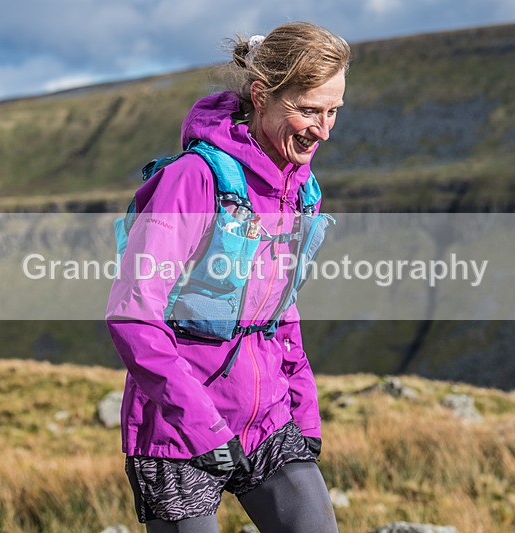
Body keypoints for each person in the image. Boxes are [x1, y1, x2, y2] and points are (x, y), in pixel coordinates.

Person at [106, 21, 349, 533]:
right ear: (261, 96)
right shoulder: (192, 179)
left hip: (268, 420)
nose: (323, 130)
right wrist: (203, 426)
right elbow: (133, 316)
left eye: (332, 112)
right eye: (308, 110)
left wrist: (304, 413)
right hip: (178, 431)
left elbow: (281, 311)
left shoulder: (300, 189)